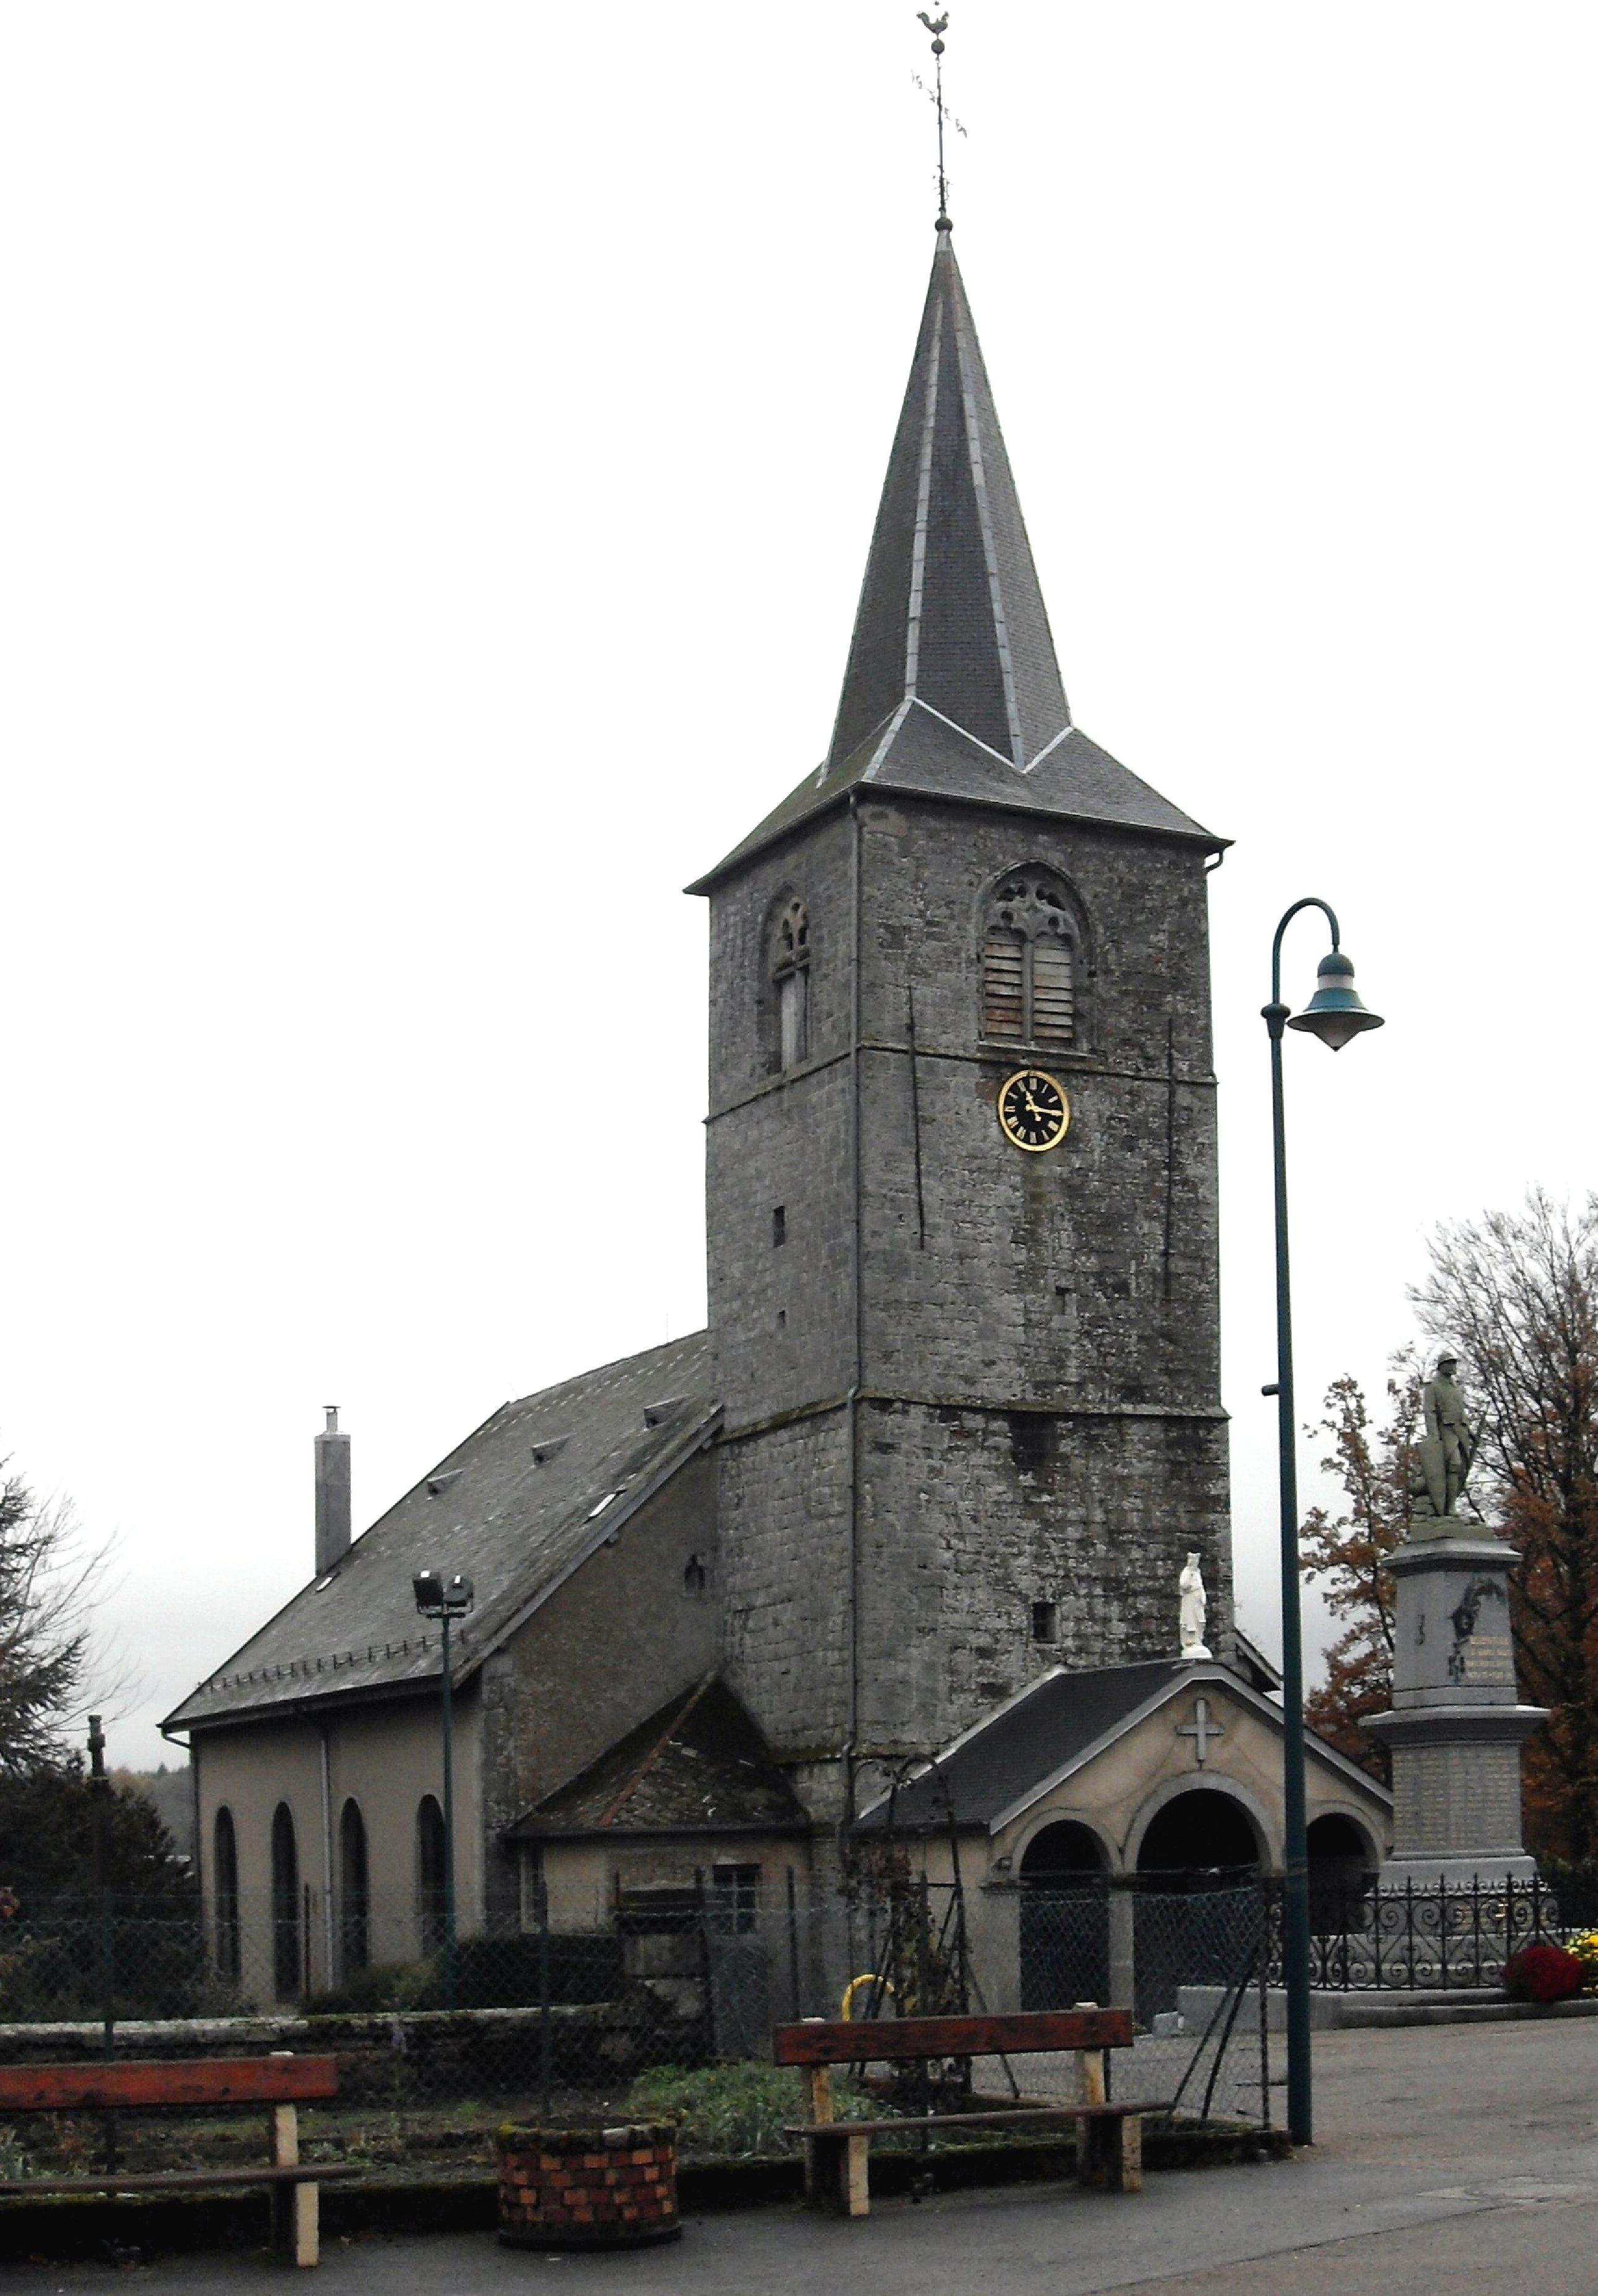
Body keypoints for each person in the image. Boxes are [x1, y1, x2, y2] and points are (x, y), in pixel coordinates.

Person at [1420, 1353, 1475, 1516]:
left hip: (1461, 1432)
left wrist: (1470, 1433)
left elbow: (1460, 1412)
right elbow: (1429, 1412)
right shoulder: (1433, 1387)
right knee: (1453, 1464)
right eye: (1449, 1364)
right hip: (1446, 1432)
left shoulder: (1456, 1388)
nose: (1453, 1367)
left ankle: (1451, 1504)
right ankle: (1449, 1507)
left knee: (1461, 1469)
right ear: (1441, 1366)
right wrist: (1433, 1436)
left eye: (1454, 1364)